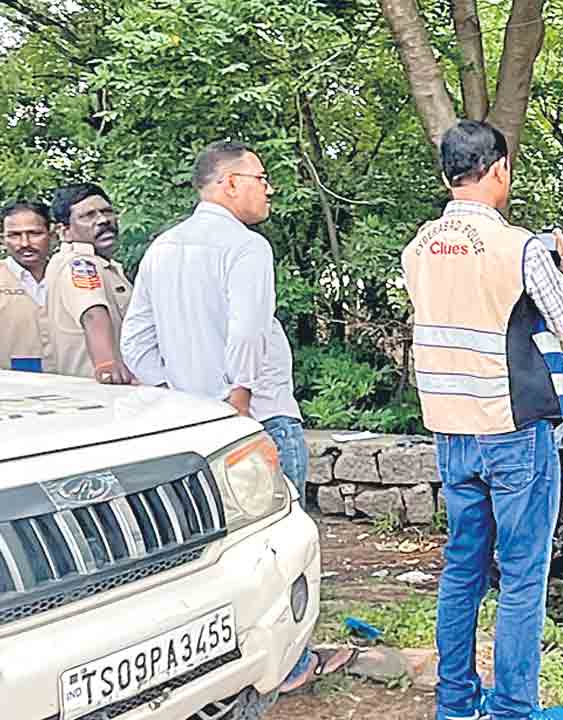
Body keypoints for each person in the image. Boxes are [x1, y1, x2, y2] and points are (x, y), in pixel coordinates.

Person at [120, 140, 352, 691]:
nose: (268, 187)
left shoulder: (163, 247)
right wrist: (237, 398)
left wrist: (176, 395)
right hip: (257, 416)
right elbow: (248, 329)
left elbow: (136, 342)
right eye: (260, 177)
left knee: (209, 549)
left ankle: (219, 656)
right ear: (228, 183)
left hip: (190, 426)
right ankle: (289, 661)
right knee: (277, 542)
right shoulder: (245, 248)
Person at [402, 120, 563, 720]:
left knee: (462, 568)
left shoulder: (419, 247)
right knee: (522, 575)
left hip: (451, 432)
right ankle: (512, 707)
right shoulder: (521, 247)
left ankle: (455, 701)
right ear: (500, 169)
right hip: (512, 433)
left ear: (446, 174)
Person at [44, 184, 134, 383]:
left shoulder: (105, 265)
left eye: (107, 212)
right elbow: (93, 313)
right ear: (64, 231)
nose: (103, 220)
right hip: (102, 390)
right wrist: (107, 366)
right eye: (88, 216)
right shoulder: (79, 263)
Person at [1, 201, 54, 372]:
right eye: (14, 235)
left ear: (52, 235)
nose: (25, 243)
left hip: (73, 383)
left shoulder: (66, 275)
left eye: (34, 233)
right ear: (3, 240)